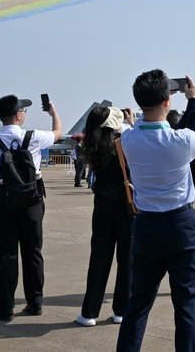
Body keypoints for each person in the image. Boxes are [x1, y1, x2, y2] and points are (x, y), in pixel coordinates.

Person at [116, 70, 195, 352]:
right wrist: (193, 99)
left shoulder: (128, 140)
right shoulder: (182, 141)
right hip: (181, 225)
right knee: (186, 304)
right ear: (167, 100)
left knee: (137, 303)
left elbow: (136, 125)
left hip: (146, 225)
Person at [0, 95, 61, 322]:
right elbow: (58, 133)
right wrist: (53, 113)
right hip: (32, 203)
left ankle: (6, 307)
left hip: (3, 203)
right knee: (33, 252)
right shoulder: (35, 137)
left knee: (6, 254)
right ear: (19, 115)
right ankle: (35, 302)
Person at [75, 105, 134, 327]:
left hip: (101, 203)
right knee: (126, 258)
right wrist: (130, 121)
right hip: (125, 204)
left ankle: (89, 312)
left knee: (99, 257)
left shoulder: (91, 143)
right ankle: (121, 309)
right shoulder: (125, 140)